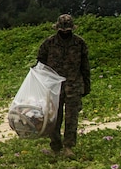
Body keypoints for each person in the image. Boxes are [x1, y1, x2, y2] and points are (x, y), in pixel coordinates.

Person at [37, 14, 91, 158]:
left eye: (68, 30)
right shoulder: (49, 43)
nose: (65, 33)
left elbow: (85, 66)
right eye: (63, 31)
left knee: (72, 118)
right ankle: (55, 145)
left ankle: (69, 146)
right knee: (54, 117)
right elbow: (40, 63)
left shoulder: (80, 43)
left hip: (74, 85)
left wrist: (86, 85)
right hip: (54, 87)